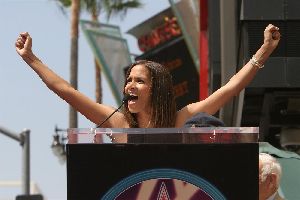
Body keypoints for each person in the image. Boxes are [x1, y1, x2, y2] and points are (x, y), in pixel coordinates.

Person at [15, 24, 280, 142]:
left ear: (158, 89)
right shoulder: (117, 122)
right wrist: (31, 58)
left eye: (139, 81)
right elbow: (66, 91)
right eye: (128, 80)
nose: (130, 85)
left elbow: (230, 89)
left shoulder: (180, 120)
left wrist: (265, 51)